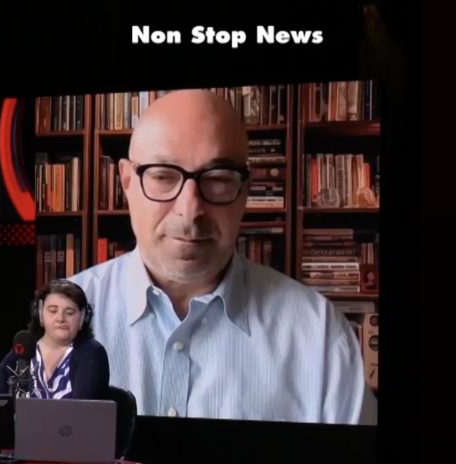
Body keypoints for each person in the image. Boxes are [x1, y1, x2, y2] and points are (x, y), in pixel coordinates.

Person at [68, 89, 374, 425]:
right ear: (127, 182)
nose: (189, 210)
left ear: (244, 191)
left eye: (217, 180)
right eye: (163, 176)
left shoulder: (320, 336)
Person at [0, 279, 110, 400]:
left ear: (82, 317)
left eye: (69, 312)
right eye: (53, 311)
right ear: (39, 313)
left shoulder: (92, 352)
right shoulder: (25, 348)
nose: (60, 318)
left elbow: (83, 410)